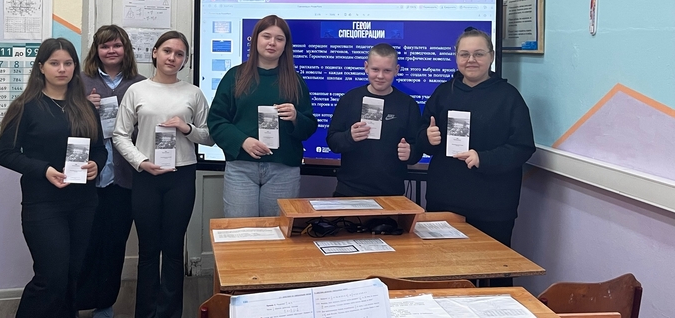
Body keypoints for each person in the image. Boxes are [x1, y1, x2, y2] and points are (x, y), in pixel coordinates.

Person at [0, 38, 107, 318]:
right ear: (41, 67)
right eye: (54, 63)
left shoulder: (85, 107)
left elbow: (100, 149)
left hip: (83, 203)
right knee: (51, 277)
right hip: (43, 205)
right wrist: (44, 169)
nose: (62, 69)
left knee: (72, 275)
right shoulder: (26, 106)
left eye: (68, 63)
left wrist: (96, 164)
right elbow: (6, 154)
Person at [417, 27, 535, 286]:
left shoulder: (509, 97)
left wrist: (484, 158)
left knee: (495, 278)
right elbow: (421, 137)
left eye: (479, 54)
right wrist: (427, 138)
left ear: (491, 56)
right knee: (447, 276)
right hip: (446, 202)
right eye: (464, 54)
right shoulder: (442, 93)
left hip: (493, 207)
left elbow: (523, 146)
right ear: (456, 57)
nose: (471, 60)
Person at [113, 30, 209, 318]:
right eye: (167, 51)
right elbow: (120, 135)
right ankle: (145, 312)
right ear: (155, 53)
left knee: (173, 248)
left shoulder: (193, 93)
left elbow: (209, 136)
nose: (172, 58)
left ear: (185, 60)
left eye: (179, 54)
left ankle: (169, 312)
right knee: (148, 250)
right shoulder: (137, 91)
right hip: (146, 176)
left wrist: (186, 128)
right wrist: (141, 162)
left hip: (181, 176)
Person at [208, 15, 318, 217]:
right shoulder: (235, 76)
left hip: (283, 170)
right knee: (241, 230)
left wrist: (296, 117)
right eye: (266, 36)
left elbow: (309, 127)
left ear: (285, 45)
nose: (272, 43)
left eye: (279, 38)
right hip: (241, 168)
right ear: (255, 39)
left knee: (277, 231)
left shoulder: (295, 81)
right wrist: (243, 141)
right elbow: (216, 121)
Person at [77, 25, 145, 318]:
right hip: (87, 177)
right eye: (105, 46)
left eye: (117, 45)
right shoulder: (80, 82)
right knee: (84, 243)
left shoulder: (140, 84)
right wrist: (84, 106)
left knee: (114, 245)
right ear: (97, 50)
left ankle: (104, 304)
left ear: (125, 49)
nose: (111, 51)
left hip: (124, 178)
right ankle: (75, 302)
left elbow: (147, 131)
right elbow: (65, 123)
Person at [326, 43, 422, 196]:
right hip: (349, 190)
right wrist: (349, 136)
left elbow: (417, 149)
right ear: (366, 67)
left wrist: (410, 152)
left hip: (391, 193)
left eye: (387, 70)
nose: (380, 76)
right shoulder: (349, 99)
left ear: (396, 70)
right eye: (375, 69)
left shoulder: (408, 104)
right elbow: (332, 141)